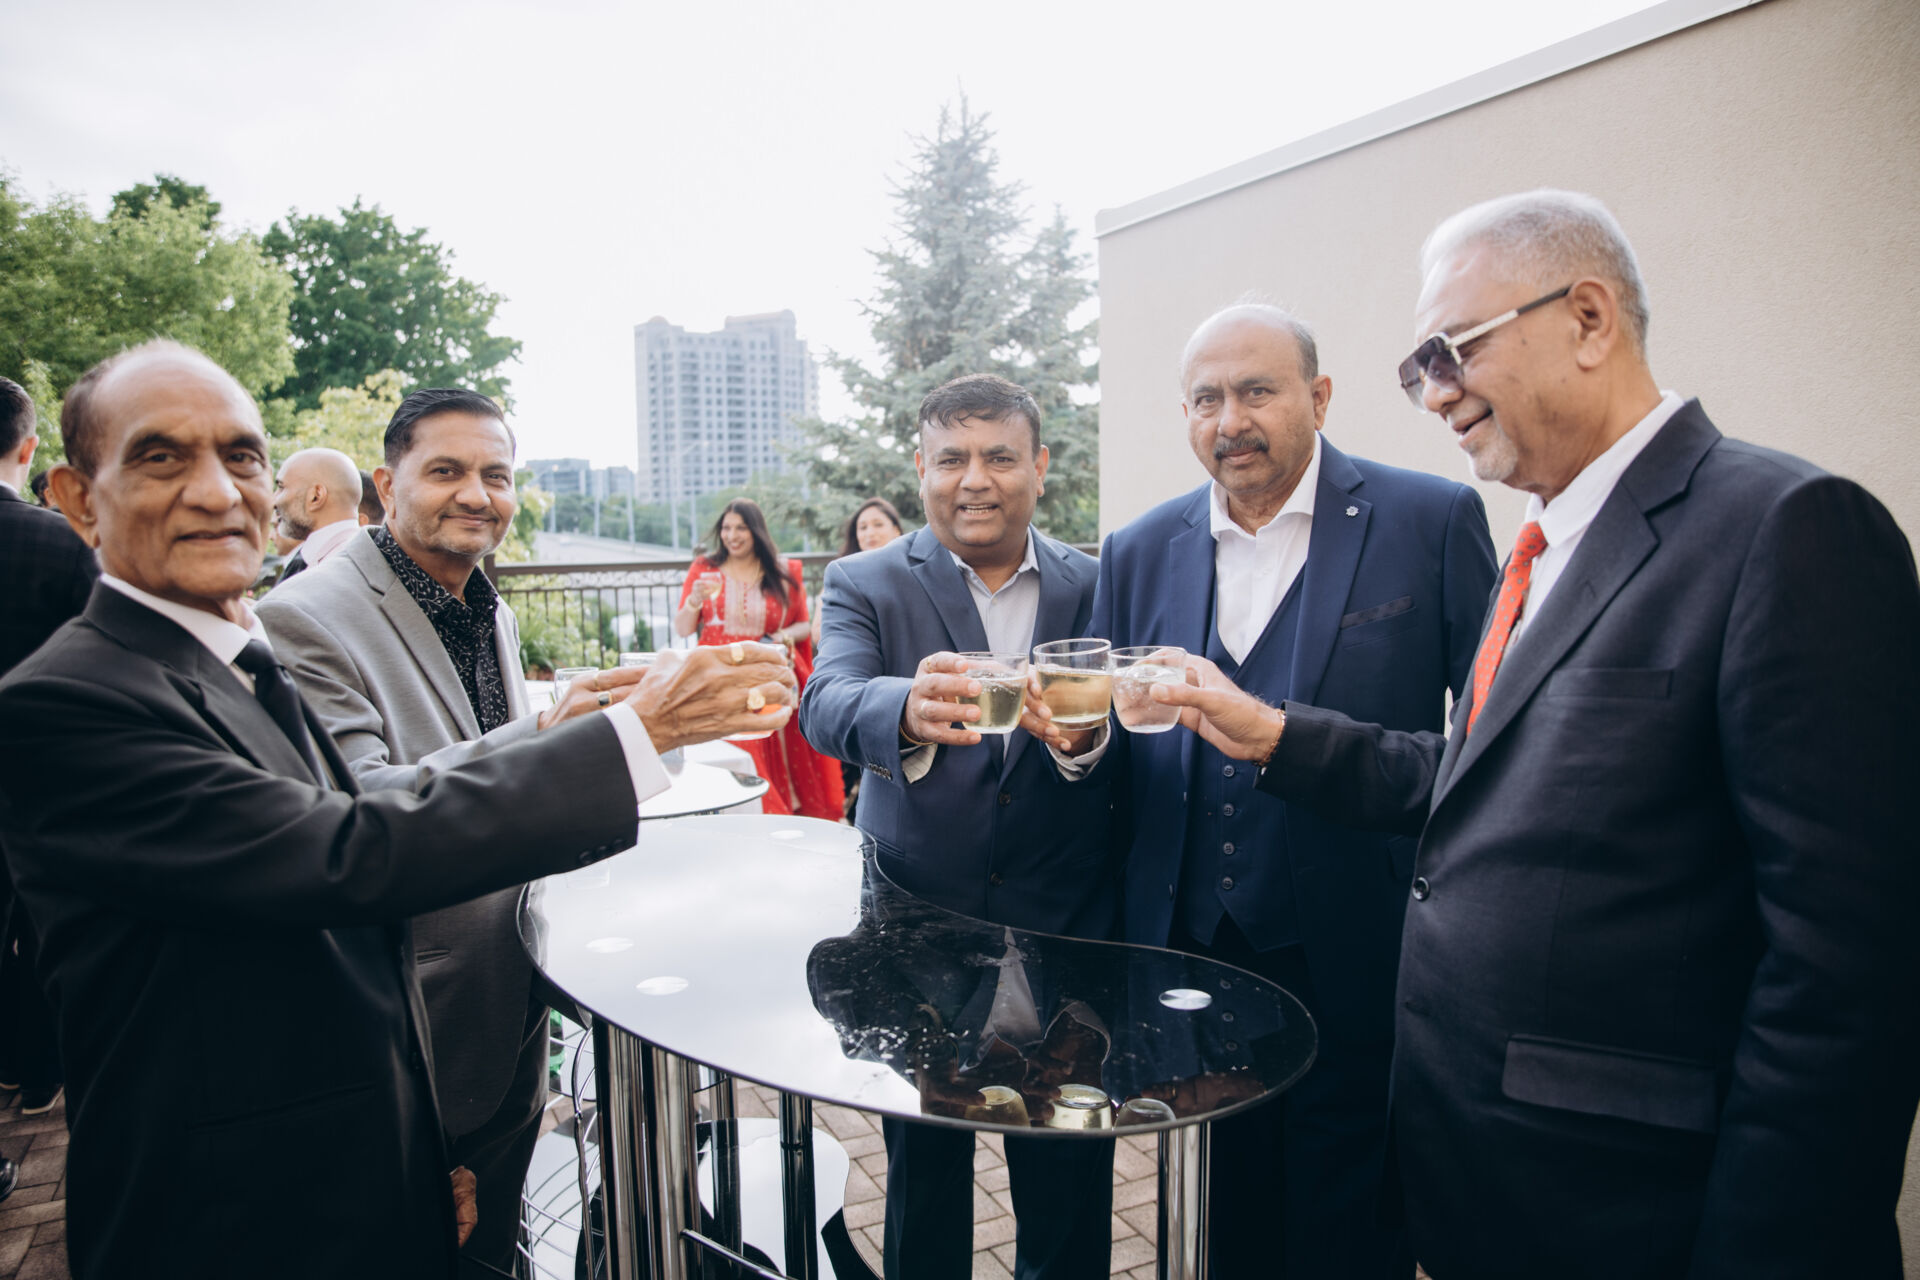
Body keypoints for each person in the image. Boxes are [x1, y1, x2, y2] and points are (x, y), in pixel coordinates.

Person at [1156, 190, 1920, 1278]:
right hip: (1493, 1196)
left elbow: (1847, 978)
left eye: (1452, 350)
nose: (1435, 392)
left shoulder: (1789, 529)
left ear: (1589, 319)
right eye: (1419, 368)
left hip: (1639, 1211)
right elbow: (1468, 783)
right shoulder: (1544, 548)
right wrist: (1271, 733)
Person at [0, 340, 795, 1279]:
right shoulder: (62, 702)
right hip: (240, 1207)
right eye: (161, 457)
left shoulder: (230, 656)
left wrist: (408, 1150)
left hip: (404, 1112)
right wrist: (636, 731)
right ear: (75, 498)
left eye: (242, 456)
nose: (216, 491)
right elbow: (344, 850)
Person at [1084, 304, 1495, 1278]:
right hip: (1191, 955)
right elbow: (1107, 752)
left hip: (1357, 947)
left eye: (1257, 391)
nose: (1230, 420)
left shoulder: (1430, 520)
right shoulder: (1135, 549)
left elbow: (1490, 756)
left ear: (1319, 396)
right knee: (1223, 1218)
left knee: (1348, 1228)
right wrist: (1073, 746)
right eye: (1206, 399)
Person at [258, 389, 632, 1276]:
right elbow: (358, 809)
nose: (477, 493)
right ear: (387, 486)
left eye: (496, 475)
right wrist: (554, 737)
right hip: (407, 1037)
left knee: (494, 1244)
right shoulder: (303, 615)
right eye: (447, 471)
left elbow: (494, 779)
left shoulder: (487, 605)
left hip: (508, 1002)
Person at [799, 373, 1114, 1280]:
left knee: (1068, 1193)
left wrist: (1087, 741)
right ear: (921, 468)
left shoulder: (1101, 582)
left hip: (1070, 934)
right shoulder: (864, 581)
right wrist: (904, 705)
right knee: (926, 1185)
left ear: (1039, 467)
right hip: (916, 936)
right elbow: (826, 700)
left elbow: (1131, 728)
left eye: (1000, 457)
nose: (975, 479)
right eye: (952, 459)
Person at [0, 375, 93, 1158]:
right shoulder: (56, 543)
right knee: (41, 929)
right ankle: (38, 1071)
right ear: (28, 448)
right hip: (41, 782)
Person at [675, 497, 843, 820]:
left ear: (756, 531)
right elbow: (683, 627)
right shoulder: (704, 569)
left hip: (761, 670)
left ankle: (773, 815)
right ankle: (742, 814)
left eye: (741, 528)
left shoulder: (782, 572)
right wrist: (694, 600)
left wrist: (778, 637)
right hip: (717, 674)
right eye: (726, 528)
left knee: (762, 742)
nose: (732, 535)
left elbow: (803, 624)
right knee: (733, 746)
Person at [824, 497, 908, 814]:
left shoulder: (914, 575)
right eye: (862, 527)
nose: (869, 532)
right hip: (862, 681)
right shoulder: (844, 575)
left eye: (877, 524)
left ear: (896, 529)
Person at [271, 446, 364, 582]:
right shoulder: (355, 556)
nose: (273, 501)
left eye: (281, 487)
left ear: (316, 496)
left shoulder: (342, 569)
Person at [840, 495, 905, 558]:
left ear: (896, 531)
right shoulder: (842, 565)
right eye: (863, 527)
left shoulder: (909, 564)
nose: (870, 533)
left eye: (878, 524)